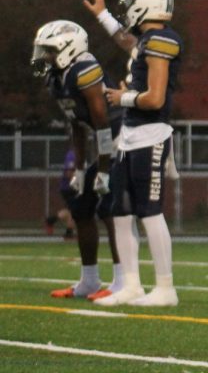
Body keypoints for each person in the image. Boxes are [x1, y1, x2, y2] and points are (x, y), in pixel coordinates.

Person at [84, 0, 182, 307]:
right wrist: (103, 15)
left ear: (145, 5)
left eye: (130, 5)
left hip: (150, 134)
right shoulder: (148, 39)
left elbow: (154, 99)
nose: (128, 12)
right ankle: (131, 285)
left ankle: (166, 288)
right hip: (130, 136)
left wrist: (121, 96)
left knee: (149, 212)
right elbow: (128, 43)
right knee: (120, 212)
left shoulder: (162, 41)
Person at [30, 20, 124, 299]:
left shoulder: (85, 70)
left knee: (109, 208)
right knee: (80, 206)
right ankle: (89, 281)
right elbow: (77, 124)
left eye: (48, 50)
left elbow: (103, 123)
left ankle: (122, 282)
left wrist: (103, 171)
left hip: (124, 139)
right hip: (105, 139)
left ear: (68, 48)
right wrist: (81, 169)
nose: (43, 57)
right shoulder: (58, 78)